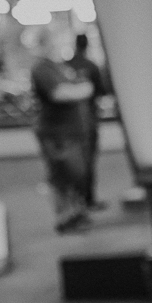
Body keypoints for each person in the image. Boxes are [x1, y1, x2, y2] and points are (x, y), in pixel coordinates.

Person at [30, 26, 95, 234]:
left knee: (76, 174)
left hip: (70, 132)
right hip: (57, 133)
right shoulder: (42, 68)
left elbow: (81, 86)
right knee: (62, 176)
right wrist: (82, 90)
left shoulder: (58, 66)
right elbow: (60, 93)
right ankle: (65, 217)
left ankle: (75, 213)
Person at [68, 33, 109, 210]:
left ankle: (77, 200)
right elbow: (101, 90)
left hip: (70, 123)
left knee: (74, 161)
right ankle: (87, 199)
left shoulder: (66, 66)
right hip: (87, 121)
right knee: (88, 160)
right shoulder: (91, 66)